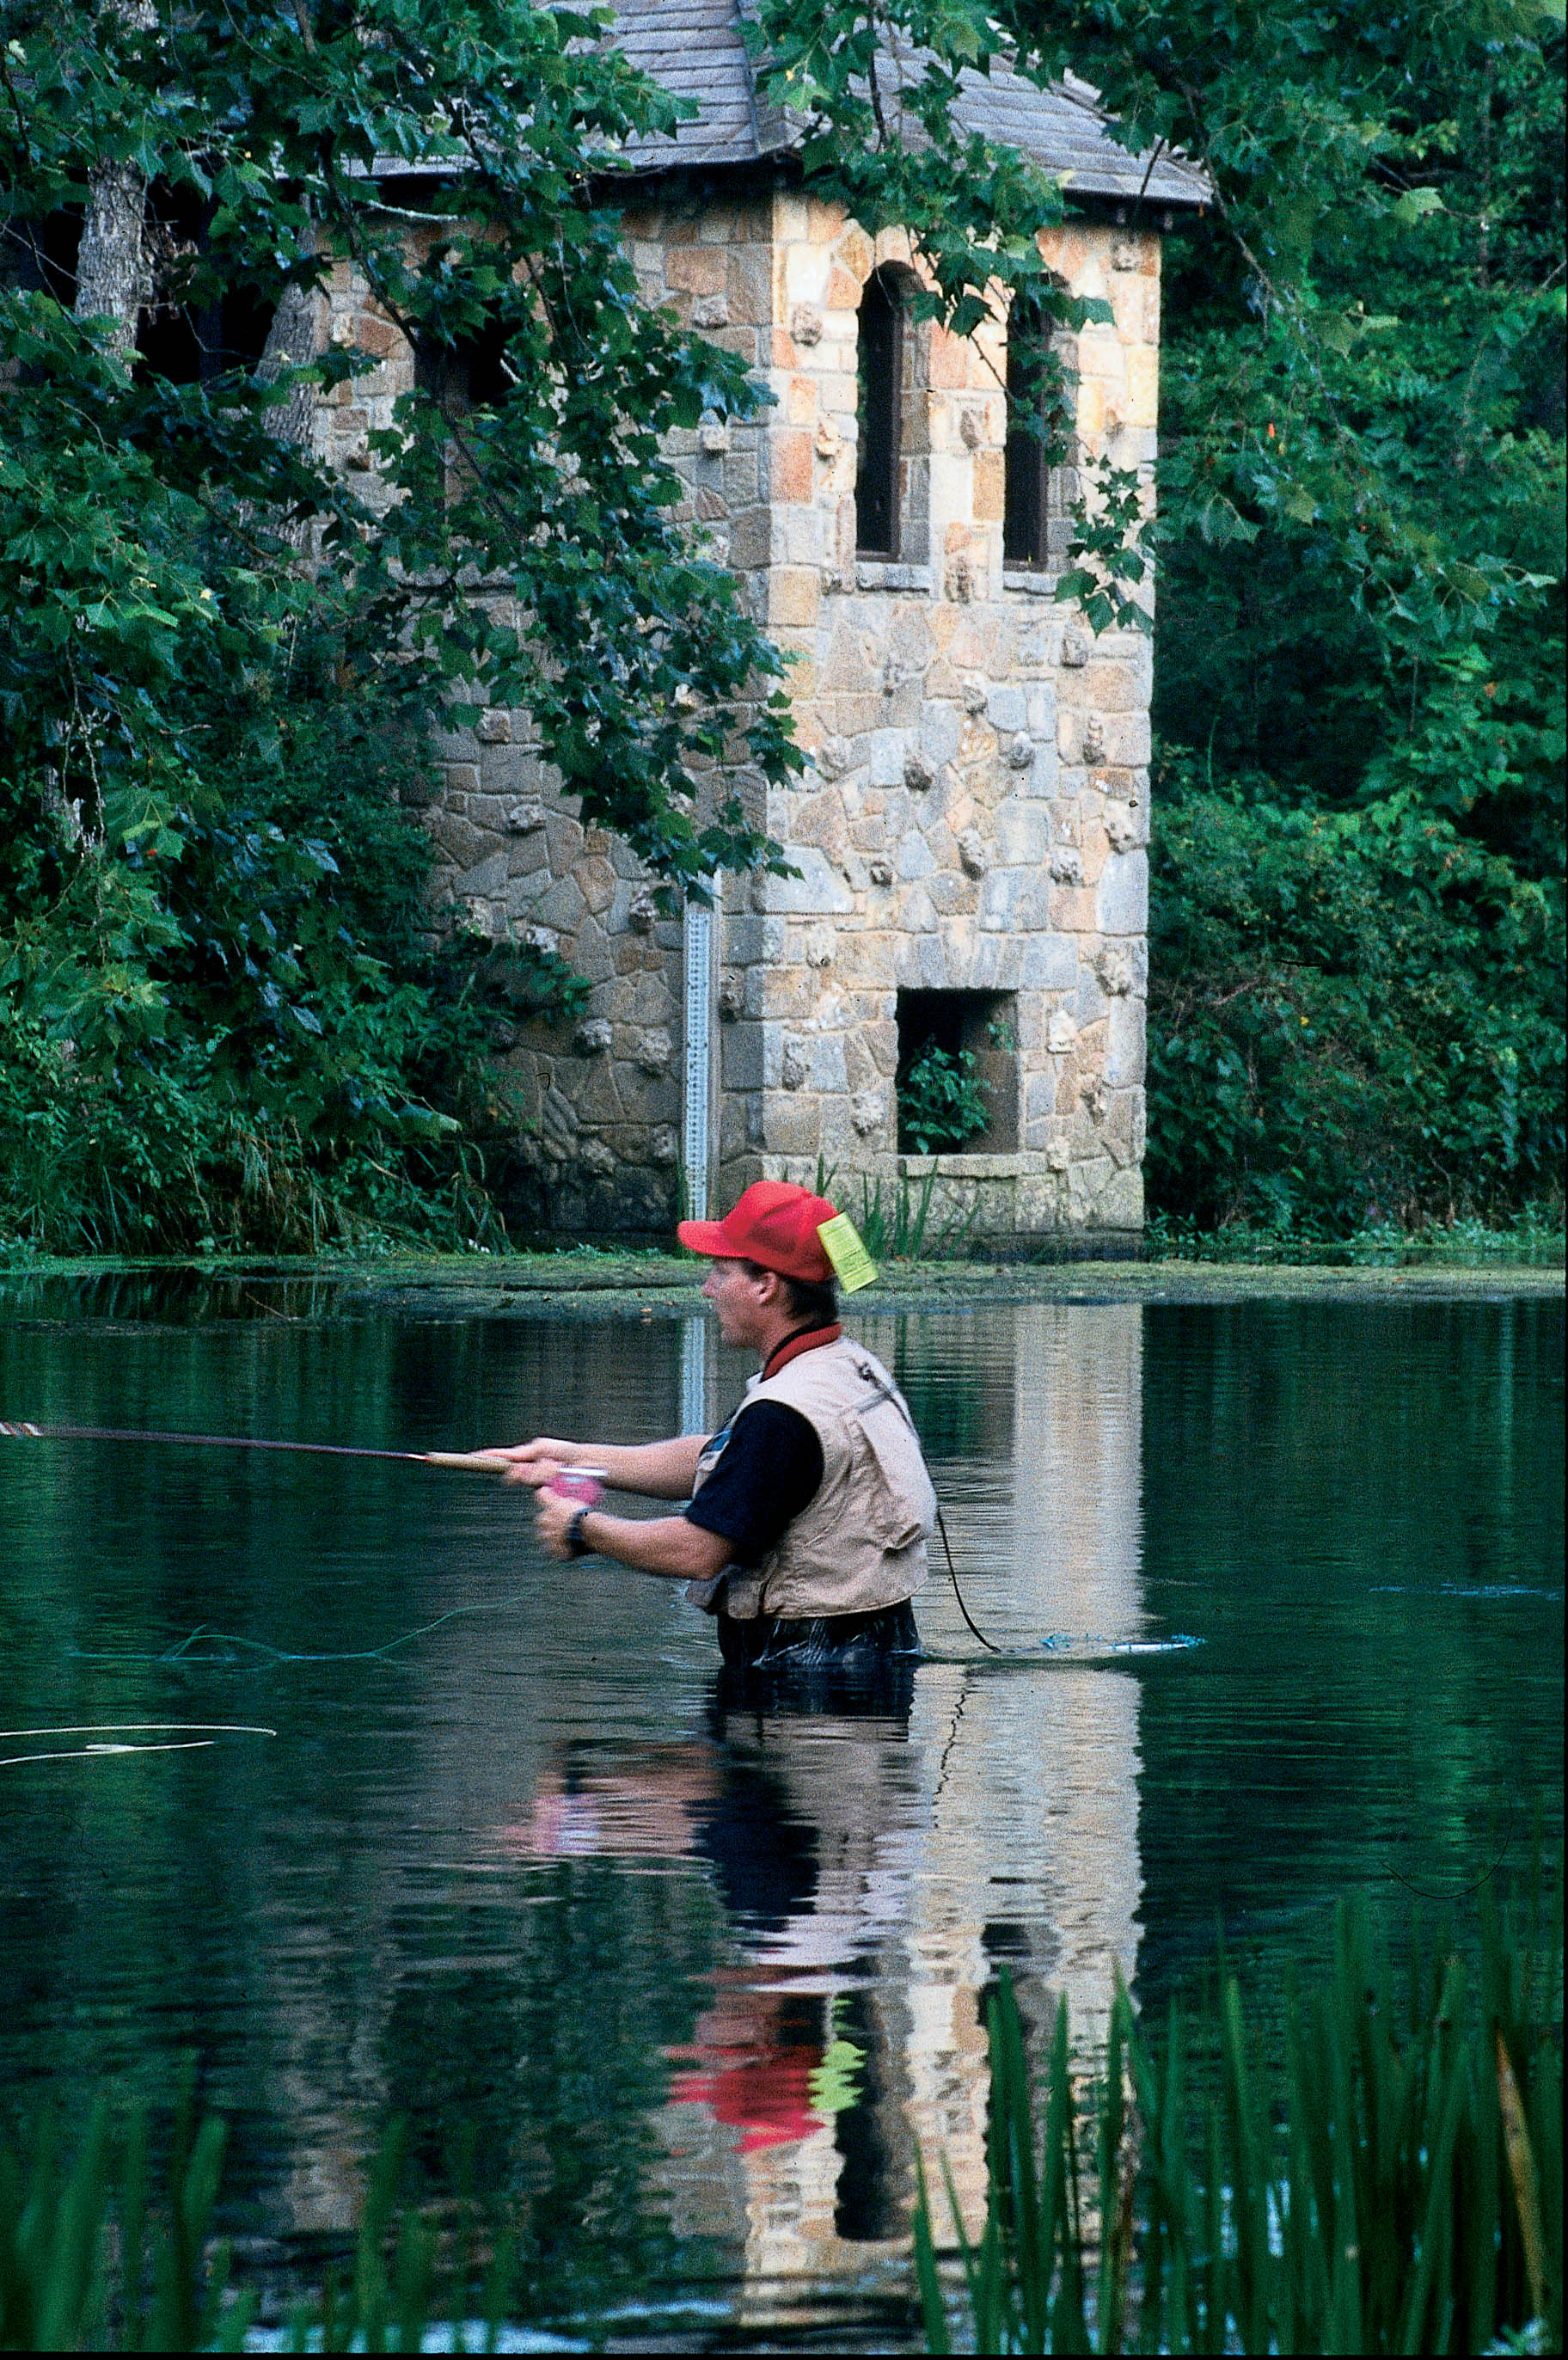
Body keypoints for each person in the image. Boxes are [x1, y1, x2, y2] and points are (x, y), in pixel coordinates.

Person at [497, 1180, 936, 1671]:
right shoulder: (846, 1365)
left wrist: (582, 1529)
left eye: (720, 1271)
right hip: (870, 1660)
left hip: (804, 1687)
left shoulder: (783, 1412)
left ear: (765, 1285)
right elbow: (728, 1460)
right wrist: (569, 1457)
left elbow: (698, 1550)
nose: (708, 1287)